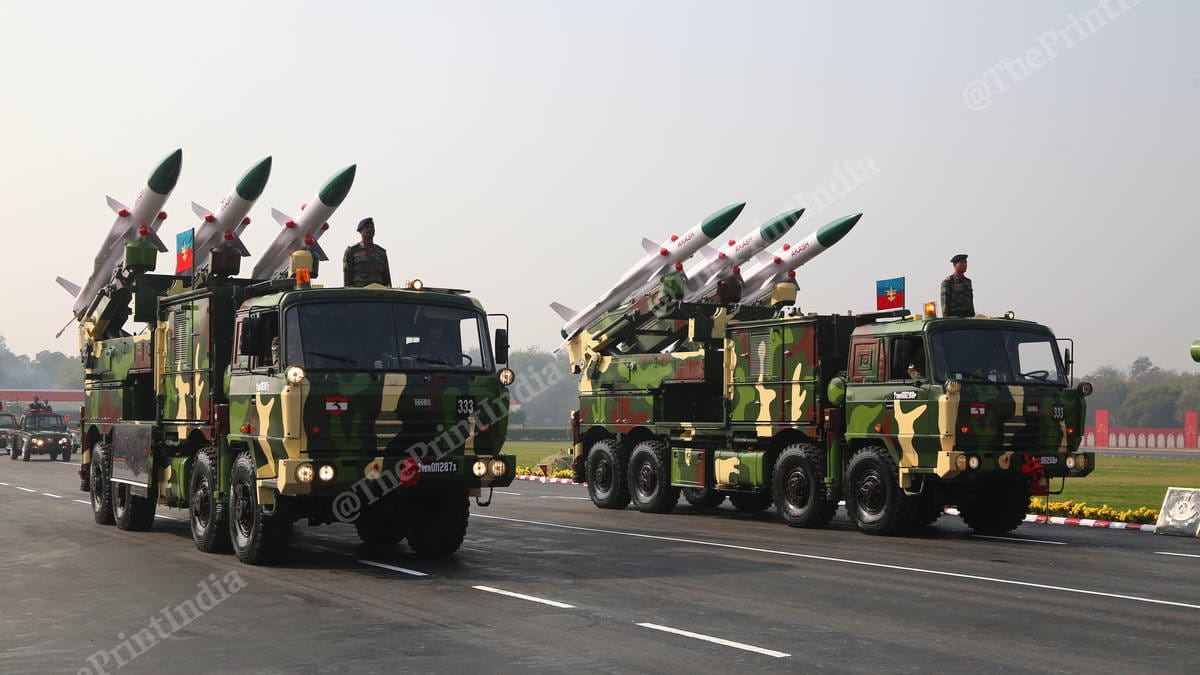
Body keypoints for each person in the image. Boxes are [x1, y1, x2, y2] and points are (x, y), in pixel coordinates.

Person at [343, 217, 391, 287]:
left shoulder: (381, 252)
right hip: (360, 294)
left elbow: (387, 279)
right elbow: (347, 279)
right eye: (367, 227)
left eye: (372, 227)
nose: (370, 229)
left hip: (379, 293)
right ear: (360, 231)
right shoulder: (352, 251)